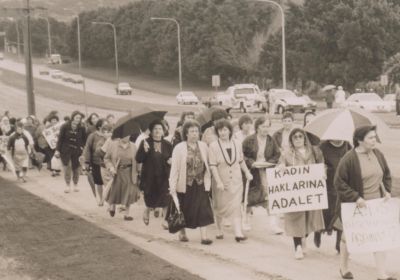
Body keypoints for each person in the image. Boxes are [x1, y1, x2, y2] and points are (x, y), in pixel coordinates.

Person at [334, 126, 395, 280]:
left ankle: (382, 274)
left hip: (376, 206)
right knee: (348, 237)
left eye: (375, 137)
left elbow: (386, 174)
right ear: (360, 140)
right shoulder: (349, 158)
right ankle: (344, 268)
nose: (374, 140)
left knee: (380, 238)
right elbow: (339, 182)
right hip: (356, 206)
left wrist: (386, 191)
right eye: (370, 138)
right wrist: (356, 197)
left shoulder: (378, 154)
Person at [278, 128, 325, 260]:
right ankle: (297, 246)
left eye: (300, 136)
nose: (298, 139)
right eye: (295, 137)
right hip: (295, 193)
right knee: (295, 218)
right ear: (291, 140)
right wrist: (280, 167)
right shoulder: (287, 154)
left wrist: (323, 174)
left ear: (304, 138)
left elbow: (322, 166)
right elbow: (280, 167)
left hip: (311, 192)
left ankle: (304, 237)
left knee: (310, 217)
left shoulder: (314, 151)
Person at [169, 120, 214, 245]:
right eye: (192, 131)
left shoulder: (203, 146)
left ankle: (204, 237)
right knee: (183, 208)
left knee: (203, 209)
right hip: (185, 184)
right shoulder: (179, 148)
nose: (195, 134)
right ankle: (182, 233)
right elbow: (175, 169)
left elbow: (208, 164)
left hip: (200, 183)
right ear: (186, 134)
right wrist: (172, 186)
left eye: (196, 131)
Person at [209, 119, 253, 242]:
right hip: (221, 181)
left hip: (237, 181)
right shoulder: (213, 146)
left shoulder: (237, 143)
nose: (222, 133)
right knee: (219, 206)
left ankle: (238, 233)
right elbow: (212, 166)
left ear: (229, 130)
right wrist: (218, 182)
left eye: (224, 130)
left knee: (236, 206)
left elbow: (241, 160)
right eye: (219, 131)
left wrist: (247, 172)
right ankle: (219, 229)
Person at [242, 116, 283, 234]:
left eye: (267, 126)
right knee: (249, 198)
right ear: (257, 127)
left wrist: (269, 163)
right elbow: (242, 156)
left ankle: (273, 225)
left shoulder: (271, 140)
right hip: (252, 172)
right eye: (263, 126)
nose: (266, 129)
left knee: (270, 197)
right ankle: (246, 222)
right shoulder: (249, 140)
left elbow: (277, 154)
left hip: (266, 172)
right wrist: (252, 163)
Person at [136, 120, 173, 228]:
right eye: (155, 129)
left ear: (163, 131)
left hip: (164, 176)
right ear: (151, 131)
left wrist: (170, 160)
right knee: (150, 199)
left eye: (160, 129)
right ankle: (147, 211)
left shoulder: (167, 144)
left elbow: (171, 157)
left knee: (166, 199)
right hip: (150, 177)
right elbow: (138, 159)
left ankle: (165, 221)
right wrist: (144, 151)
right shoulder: (145, 143)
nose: (158, 131)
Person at [317, 139, 351, 252]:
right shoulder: (323, 146)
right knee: (325, 211)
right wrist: (322, 168)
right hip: (327, 184)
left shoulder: (347, 145)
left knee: (341, 213)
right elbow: (316, 160)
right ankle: (319, 231)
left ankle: (338, 243)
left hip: (342, 184)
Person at [104, 135, 140, 221]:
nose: (127, 137)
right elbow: (106, 159)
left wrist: (139, 171)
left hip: (130, 172)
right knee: (115, 191)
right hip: (117, 172)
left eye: (128, 135)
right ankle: (112, 205)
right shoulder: (113, 145)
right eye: (125, 135)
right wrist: (111, 168)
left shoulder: (134, 146)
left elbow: (138, 160)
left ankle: (126, 214)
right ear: (120, 135)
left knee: (129, 192)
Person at [55, 111, 87, 193]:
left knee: (76, 168)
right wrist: (57, 150)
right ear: (72, 117)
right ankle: (67, 185)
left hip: (77, 151)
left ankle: (75, 184)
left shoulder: (82, 128)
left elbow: (84, 140)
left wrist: (82, 147)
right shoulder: (65, 126)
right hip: (65, 150)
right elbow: (60, 139)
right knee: (67, 167)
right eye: (76, 117)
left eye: (79, 118)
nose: (78, 119)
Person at [82, 119, 112, 206]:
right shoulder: (93, 136)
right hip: (96, 162)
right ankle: (101, 198)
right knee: (99, 182)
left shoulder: (112, 138)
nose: (106, 127)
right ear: (100, 127)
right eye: (104, 125)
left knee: (109, 183)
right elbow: (87, 148)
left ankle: (109, 200)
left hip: (108, 164)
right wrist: (87, 161)